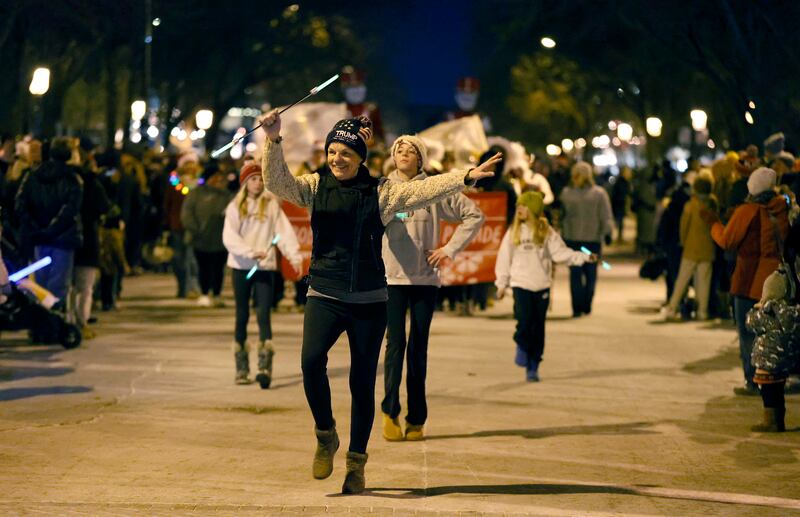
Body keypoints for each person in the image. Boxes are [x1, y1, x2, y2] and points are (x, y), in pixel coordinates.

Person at [259, 109, 500, 494]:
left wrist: (465, 176)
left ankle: (356, 463)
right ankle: (325, 434)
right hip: (325, 292)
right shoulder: (315, 186)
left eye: (345, 153)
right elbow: (277, 182)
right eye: (332, 151)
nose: (337, 159)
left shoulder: (382, 191)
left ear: (360, 158)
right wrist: (273, 140)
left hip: (370, 299)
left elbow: (423, 190)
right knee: (310, 363)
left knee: (361, 383)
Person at [380, 135, 484, 442]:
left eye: (410, 150)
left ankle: (416, 418)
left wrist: (449, 249)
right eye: (399, 150)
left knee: (418, 349)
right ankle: (389, 411)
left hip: (425, 280)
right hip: (391, 280)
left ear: (421, 159)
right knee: (395, 345)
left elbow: (474, 215)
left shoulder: (435, 189)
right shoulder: (383, 189)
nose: (403, 154)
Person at [704, 167, 789, 395]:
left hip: (749, 281)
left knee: (748, 333)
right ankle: (774, 378)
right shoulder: (782, 208)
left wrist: (713, 224)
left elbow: (727, 241)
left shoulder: (747, 211)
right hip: (777, 281)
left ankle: (753, 381)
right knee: (773, 334)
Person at [495, 191, 596, 382]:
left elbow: (561, 253)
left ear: (533, 209)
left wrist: (584, 257)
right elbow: (504, 258)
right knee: (524, 321)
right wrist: (501, 283)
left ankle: (533, 366)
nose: (519, 209)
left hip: (541, 286)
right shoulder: (514, 231)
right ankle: (522, 345)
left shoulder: (546, 231)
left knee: (538, 327)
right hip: (520, 284)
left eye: (523, 206)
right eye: (518, 205)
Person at [222, 162, 302, 387]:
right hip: (241, 267)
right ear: (245, 183)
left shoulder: (271, 205)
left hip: (264, 267)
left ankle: (265, 365)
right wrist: (249, 252)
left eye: (260, 179)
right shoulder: (235, 207)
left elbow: (284, 232)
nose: (257, 183)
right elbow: (229, 237)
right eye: (253, 179)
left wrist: (294, 257)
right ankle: (241, 366)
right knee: (242, 315)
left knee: (264, 313)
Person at [14, 137, 83, 304]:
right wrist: (52, 229)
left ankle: (40, 317)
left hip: (39, 239)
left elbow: (20, 205)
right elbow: (70, 210)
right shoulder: (73, 179)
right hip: (63, 239)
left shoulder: (32, 176)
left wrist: (35, 227)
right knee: (58, 288)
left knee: (39, 287)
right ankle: (55, 317)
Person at [560, 161, 613, 318]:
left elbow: (605, 214)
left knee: (590, 274)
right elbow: (561, 215)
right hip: (572, 240)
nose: (575, 178)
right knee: (575, 274)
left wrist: (607, 232)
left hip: (592, 240)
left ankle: (587, 303)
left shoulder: (599, 194)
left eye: (578, 175)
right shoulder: (566, 193)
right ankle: (577, 307)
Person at [663, 171, 717, 321]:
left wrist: (683, 241)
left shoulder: (690, 205)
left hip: (691, 248)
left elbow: (684, 227)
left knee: (682, 281)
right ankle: (702, 311)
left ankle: (672, 308)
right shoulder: (713, 204)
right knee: (704, 282)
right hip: (707, 249)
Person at [181, 166, 233, 307]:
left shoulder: (227, 195)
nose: (218, 180)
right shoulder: (196, 194)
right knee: (203, 267)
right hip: (200, 238)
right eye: (214, 177)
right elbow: (187, 213)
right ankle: (204, 293)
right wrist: (196, 230)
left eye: (220, 177)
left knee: (218, 268)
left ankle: (216, 294)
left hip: (220, 239)